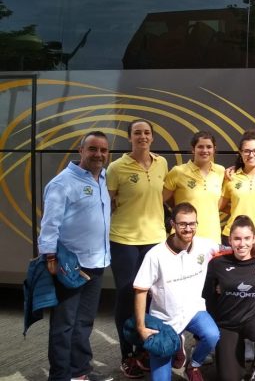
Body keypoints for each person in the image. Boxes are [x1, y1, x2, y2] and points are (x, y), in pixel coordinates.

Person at [37, 131, 113, 381]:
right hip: (70, 266)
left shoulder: (102, 177)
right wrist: (51, 260)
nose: (98, 154)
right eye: (93, 149)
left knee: (84, 322)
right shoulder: (62, 183)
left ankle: (79, 372)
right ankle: (60, 376)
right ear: (81, 151)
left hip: (96, 263)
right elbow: (49, 226)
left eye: (103, 150)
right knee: (64, 325)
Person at [106, 119, 168, 377]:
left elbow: (161, 196)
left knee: (151, 297)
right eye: (137, 133)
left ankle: (144, 349)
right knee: (126, 296)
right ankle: (127, 354)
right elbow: (107, 203)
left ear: (152, 137)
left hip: (155, 239)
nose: (142, 136)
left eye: (147, 133)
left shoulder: (162, 163)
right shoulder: (116, 167)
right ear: (129, 137)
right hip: (124, 240)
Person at [132, 203, 220, 381]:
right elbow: (140, 291)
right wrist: (141, 327)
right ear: (172, 224)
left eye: (192, 223)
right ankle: (175, 343)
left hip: (194, 311)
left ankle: (193, 365)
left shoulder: (205, 245)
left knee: (212, 335)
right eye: (183, 224)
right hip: (164, 319)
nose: (188, 228)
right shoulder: (155, 255)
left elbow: (234, 249)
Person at [203, 215, 255, 381]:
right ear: (230, 240)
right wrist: (213, 322)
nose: (242, 243)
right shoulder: (217, 263)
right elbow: (208, 295)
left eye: (247, 238)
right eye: (237, 239)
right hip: (228, 322)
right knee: (229, 378)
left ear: (254, 239)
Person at [163, 131, 225, 243]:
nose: (205, 150)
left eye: (209, 147)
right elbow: (161, 199)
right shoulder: (178, 172)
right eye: (200, 147)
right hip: (184, 237)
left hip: (212, 238)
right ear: (193, 149)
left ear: (214, 149)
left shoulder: (221, 171)